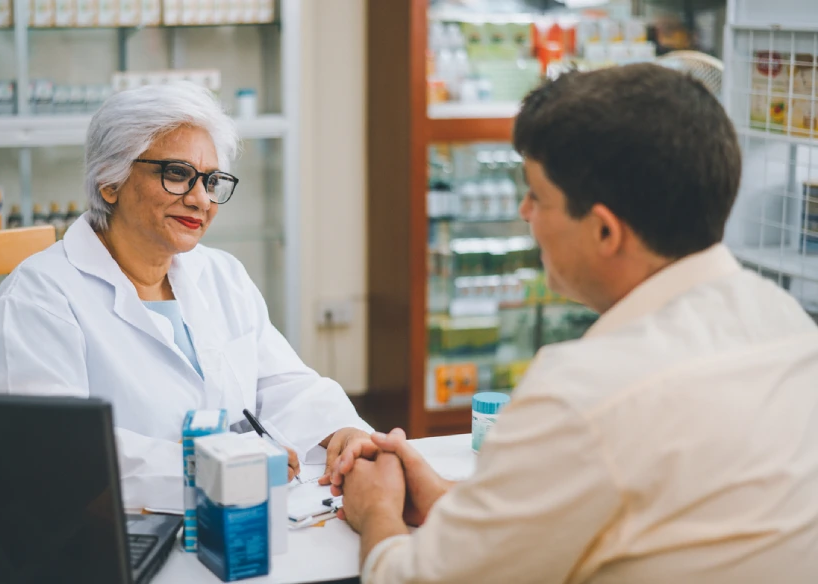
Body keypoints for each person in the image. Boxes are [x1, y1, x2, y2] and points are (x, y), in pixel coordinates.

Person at [332, 64, 818, 583]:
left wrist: (376, 510)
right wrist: (450, 501)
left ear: (605, 231)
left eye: (537, 196)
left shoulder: (585, 393)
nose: (524, 212)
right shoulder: (787, 322)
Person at [0, 82, 372, 512]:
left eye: (212, 180)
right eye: (177, 174)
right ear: (110, 180)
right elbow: (47, 453)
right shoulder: (37, 301)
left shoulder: (221, 274)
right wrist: (216, 467)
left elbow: (282, 382)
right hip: (109, 535)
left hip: (230, 519)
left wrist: (342, 431)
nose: (201, 199)